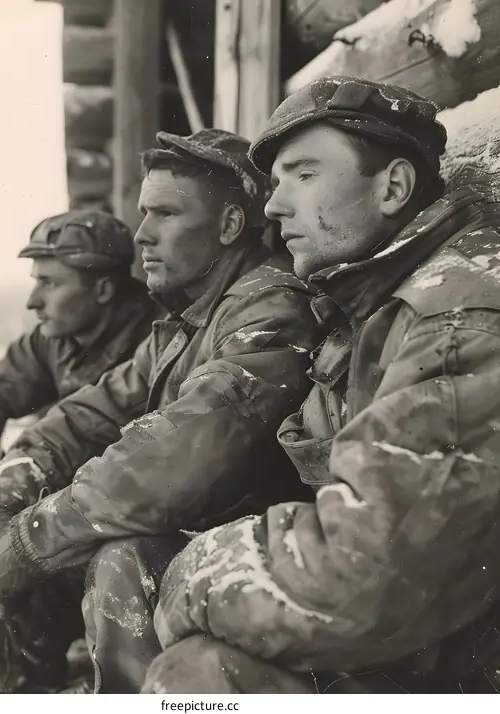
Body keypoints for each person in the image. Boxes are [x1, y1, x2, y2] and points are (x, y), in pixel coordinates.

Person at [141, 76, 500, 695]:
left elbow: (364, 574)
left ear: (392, 188)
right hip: (428, 643)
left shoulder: (455, 317)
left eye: (303, 175)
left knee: (197, 676)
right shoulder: (363, 310)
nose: (275, 206)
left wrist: (192, 572)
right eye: (276, 182)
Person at [0, 129, 321, 694]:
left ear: (228, 227)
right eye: (143, 213)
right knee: (18, 573)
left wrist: (27, 541)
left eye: (166, 214)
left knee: (121, 556)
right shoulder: (184, 324)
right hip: (210, 556)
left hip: (265, 571)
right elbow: (77, 421)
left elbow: (176, 453)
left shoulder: (271, 309)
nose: (143, 235)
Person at [0, 209, 158, 633]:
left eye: (50, 284)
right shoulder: (55, 339)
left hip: (105, 507)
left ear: (105, 289)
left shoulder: (152, 338)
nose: (32, 300)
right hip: (68, 495)